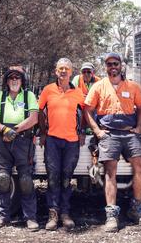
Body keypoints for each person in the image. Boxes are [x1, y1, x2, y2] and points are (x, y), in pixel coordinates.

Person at [84, 53, 141, 232]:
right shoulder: (98, 87)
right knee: (110, 170)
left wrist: (138, 126)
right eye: (109, 64)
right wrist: (97, 131)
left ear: (121, 65)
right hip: (109, 134)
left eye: (116, 63)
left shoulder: (133, 86)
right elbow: (87, 110)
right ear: (105, 67)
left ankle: (136, 209)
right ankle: (112, 216)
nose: (113, 66)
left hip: (129, 133)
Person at [0, 67, 40, 231]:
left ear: (22, 80)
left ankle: (30, 218)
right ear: (7, 81)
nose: (14, 80)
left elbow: (33, 118)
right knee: (3, 179)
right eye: (11, 78)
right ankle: (2, 217)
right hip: (3, 141)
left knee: (25, 181)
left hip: (23, 140)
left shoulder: (28, 95)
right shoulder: (0, 96)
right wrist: (4, 130)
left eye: (18, 78)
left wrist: (14, 131)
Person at [38, 58, 85, 231]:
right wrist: (43, 132)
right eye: (60, 69)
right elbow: (39, 112)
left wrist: (82, 132)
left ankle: (65, 213)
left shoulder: (78, 92)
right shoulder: (48, 90)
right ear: (56, 72)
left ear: (71, 72)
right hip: (52, 140)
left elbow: (85, 113)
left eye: (66, 69)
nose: (63, 71)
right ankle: (53, 213)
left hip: (72, 141)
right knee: (53, 177)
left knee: (66, 178)